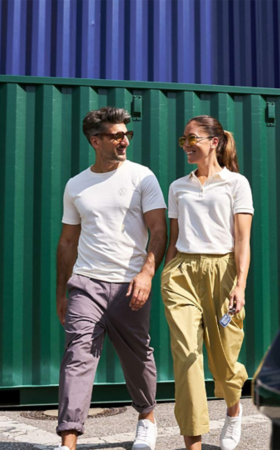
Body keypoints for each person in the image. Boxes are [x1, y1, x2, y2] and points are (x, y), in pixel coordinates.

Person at [54, 107, 166, 450]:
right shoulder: (76, 185)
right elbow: (68, 241)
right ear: (95, 141)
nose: (124, 141)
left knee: (137, 357)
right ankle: (68, 440)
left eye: (126, 135)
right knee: (77, 357)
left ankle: (146, 417)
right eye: (116, 136)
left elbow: (159, 230)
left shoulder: (142, 177)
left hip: (130, 284)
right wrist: (61, 292)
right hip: (86, 283)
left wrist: (147, 273)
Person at [161, 115, 254, 450]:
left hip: (223, 271)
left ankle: (233, 408)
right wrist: (166, 274)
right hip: (182, 273)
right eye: (183, 140)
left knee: (225, 362)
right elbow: (173, 239)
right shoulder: (178, 186)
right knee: (186, 355)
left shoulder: (236, 184)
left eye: (192, 139)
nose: (186, 145)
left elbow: (242, 240)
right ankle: (194, 442)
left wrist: (240, 285)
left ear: (214, 142)